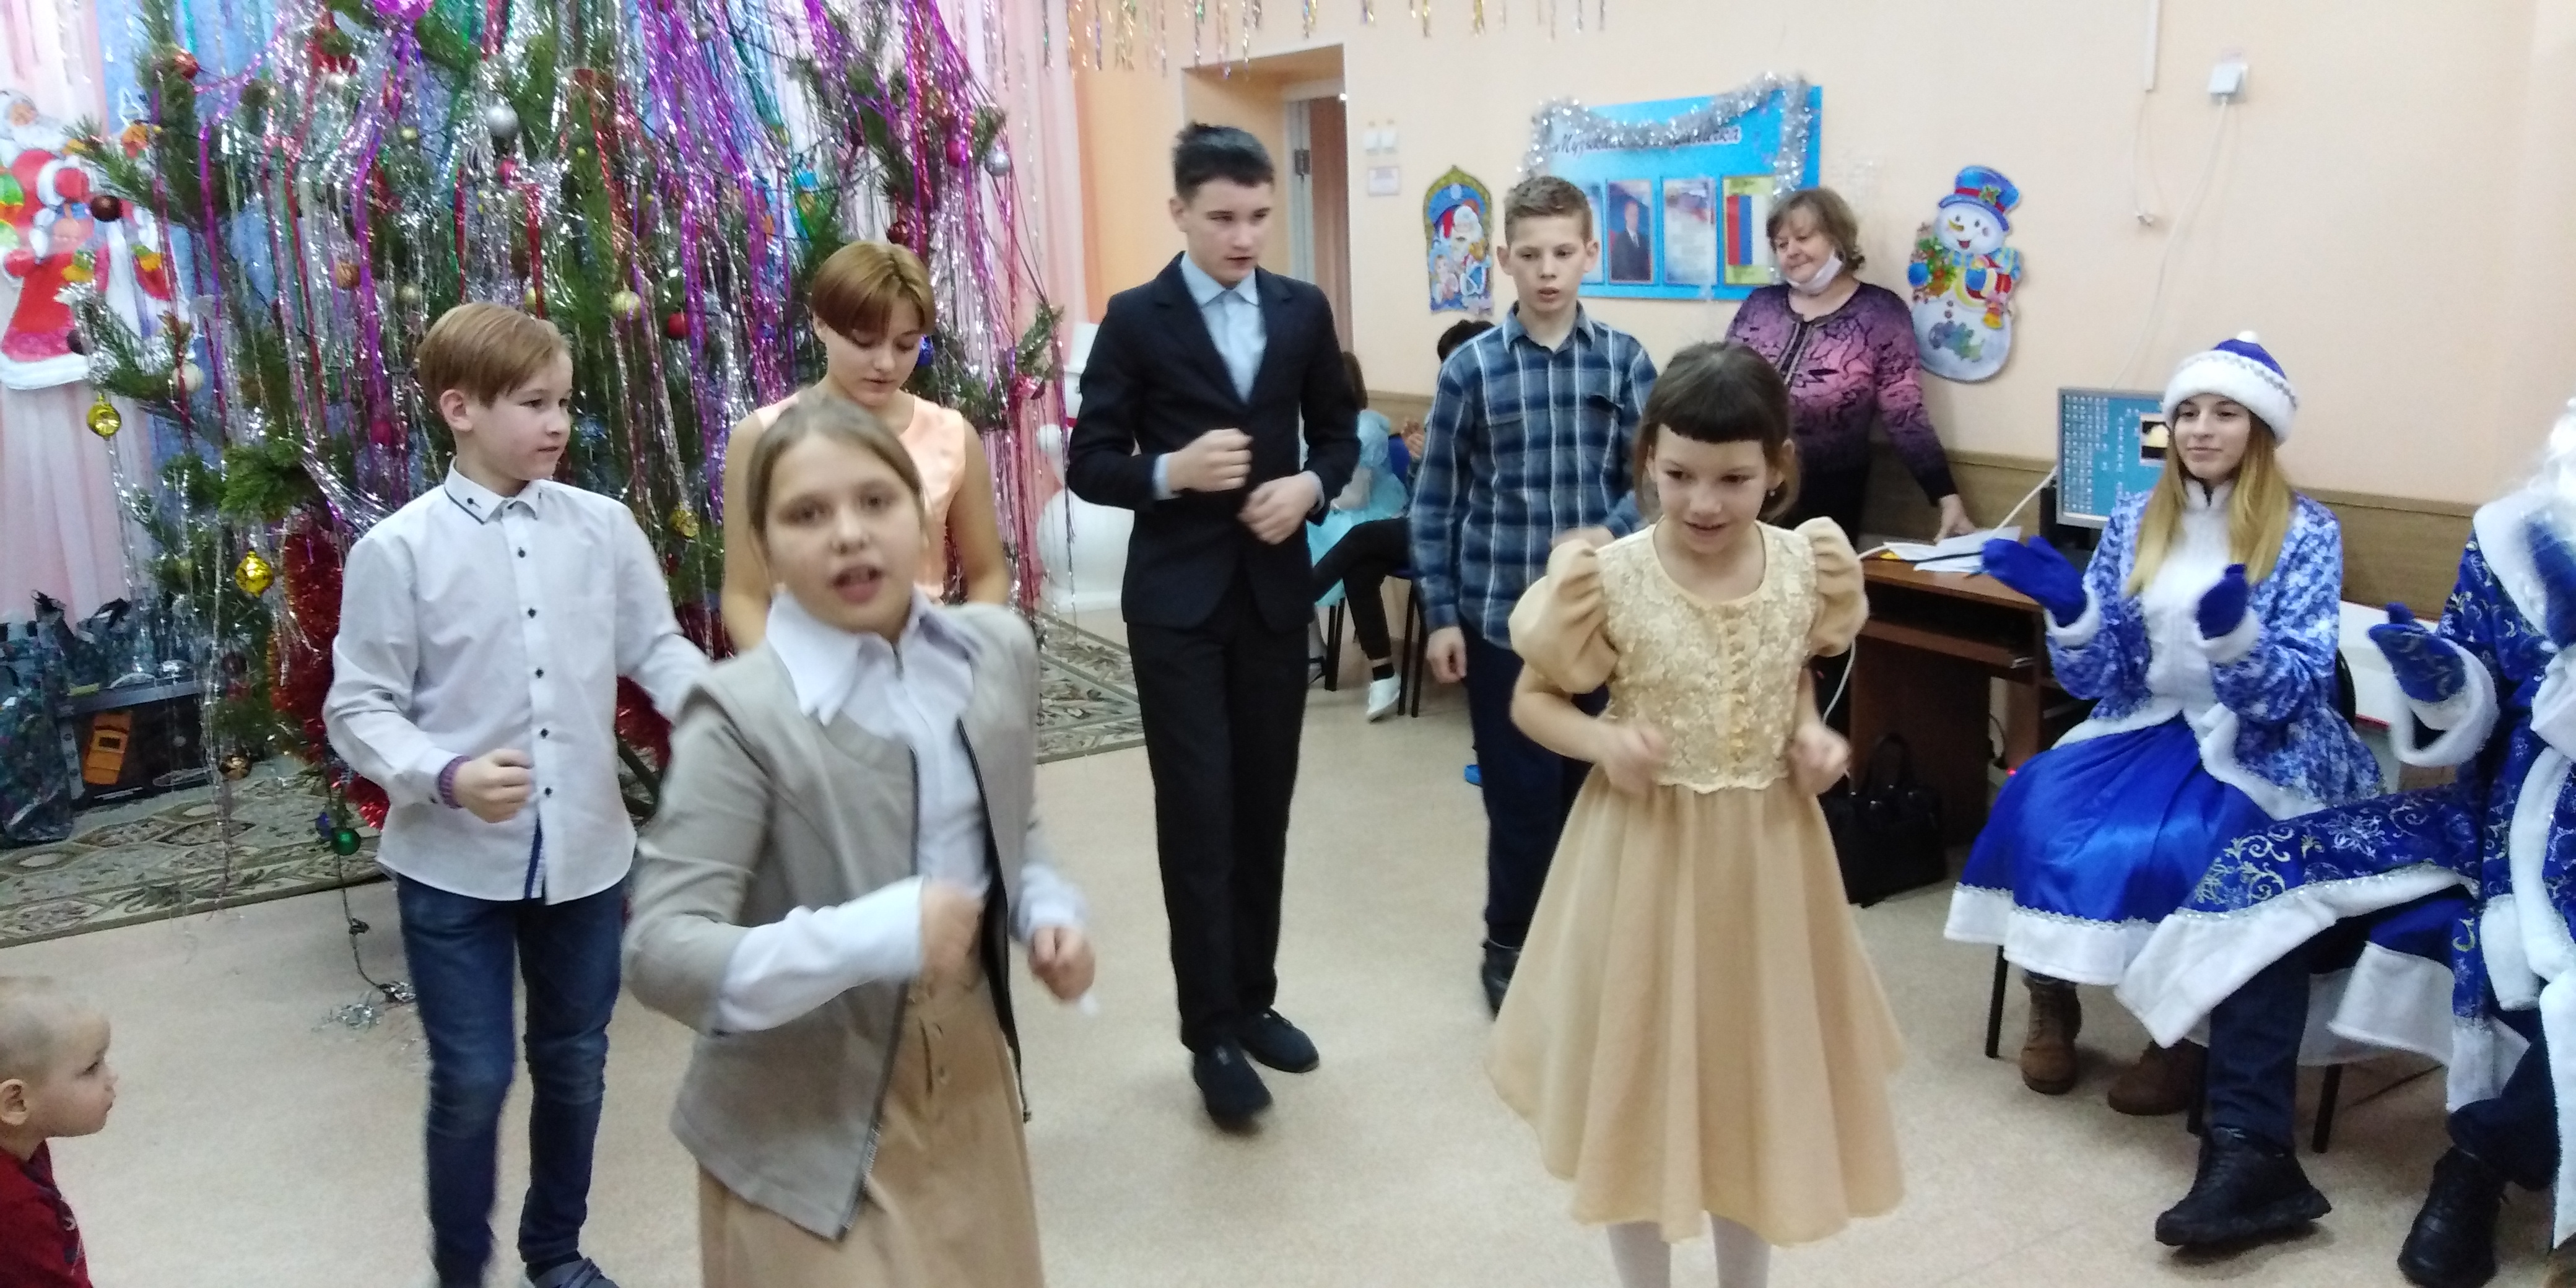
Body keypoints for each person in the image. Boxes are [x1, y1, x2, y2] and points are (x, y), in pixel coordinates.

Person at [625, 395, 1094, 1287]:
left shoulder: (994, 651)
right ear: (765, 549)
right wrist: (876, 933)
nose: (848, 535)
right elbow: (660, 951)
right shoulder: (740, 716)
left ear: (920, 517)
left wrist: (1047, 910)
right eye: (807, 514)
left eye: (875, 502)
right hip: (805, 1119)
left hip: (967, 1083)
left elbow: (1012, 821)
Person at [2118, 394, 2576, 1288]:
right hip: (2480, 819)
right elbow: (2472, 697)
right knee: (2265, 864)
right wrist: (2444, 686)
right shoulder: (2513, 533)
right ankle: (2249, 1150)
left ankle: (2476, 1166)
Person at [1491, 341, 1900, 1288]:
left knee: (1750, 1087)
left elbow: (1789, 671)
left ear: (1778, 469)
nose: (1704, 503)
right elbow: (1533, 702)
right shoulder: (1608, 576)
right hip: (1643, 859)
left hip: (1768, 860)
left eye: (1734, 480)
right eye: (1678, 476)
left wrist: (1809, 735)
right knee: (1638, 1086)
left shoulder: (1805, 565)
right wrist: (1603, 744)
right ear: (1648, 460)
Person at [326, 302, 710, 1288]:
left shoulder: (602, 528)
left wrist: (721, 714)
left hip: (586, 854)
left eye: (565, 403)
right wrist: (444, 775)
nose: (558, 424)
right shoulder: (398, 552)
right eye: (534, 404)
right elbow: (358, 707)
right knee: (474, 1077)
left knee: (575, 1061)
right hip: (452, 866)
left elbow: (655, 647)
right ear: (459, 408)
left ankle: (556, 1253)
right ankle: (461, 1272)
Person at [1947, 333, 2381, 1113]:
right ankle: (2051, 996)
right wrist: (2073, 614)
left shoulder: (2304, 530)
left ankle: (2180, 1034)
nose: (2200, 429)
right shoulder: (2134, 518)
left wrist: (2237, 642)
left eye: (2224, 413)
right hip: (2142, 721)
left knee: (2195, 842)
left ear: (2259, 430)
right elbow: (2097, 678)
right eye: (2186, 412)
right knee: (2035, 801)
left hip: (2259, 740)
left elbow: (2296, 690)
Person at [1066, 123, 1359, 1126]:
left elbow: (1339, 434)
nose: (1244, 237)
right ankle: (1211, 1033)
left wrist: (1311, 488)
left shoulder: (1302, 309)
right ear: (1180, 212)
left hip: (1273, 598)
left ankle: (1255, 999)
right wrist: (1169, 472)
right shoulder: (1135, 319)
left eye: (1259, 217)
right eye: (1223, 217)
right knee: (1198, 816)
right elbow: (1090, 460)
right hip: (1176, 607)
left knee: (1263, 808)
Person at [1412, 173, 1657, 1016]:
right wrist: (1439, 615)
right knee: (1519, 799)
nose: (1547, 270)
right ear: (1502, 260)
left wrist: (1606, 531)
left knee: (1594, 791)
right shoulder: (1471, 369)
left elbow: (1656, 480)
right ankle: (1511, 942)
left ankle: (1588, 942)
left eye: (1562, 252)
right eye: (1530, 255)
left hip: (1601, 624)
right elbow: (1435, 503)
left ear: (1590, 253)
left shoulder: (1624, 360)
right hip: (1498, 622)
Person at [721, 240, 1011, 650]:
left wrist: (957, 656)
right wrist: (784, 679)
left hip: (920, 657)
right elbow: (744, 595)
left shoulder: (952, 434)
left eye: (906, 345)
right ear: (821, 324)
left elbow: (988, 575)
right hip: (805, 658)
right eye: (864, 341)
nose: (886, 363)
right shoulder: (760, 437)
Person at [1725, 187, 1973, 542]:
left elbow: (1905, 415)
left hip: (1827, 499)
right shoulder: (1760, 304)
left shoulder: (1881, 312)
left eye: (1803, 238)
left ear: (1838, 238)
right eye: (1781, 244)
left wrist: (1947, 497)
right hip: (1738, 486)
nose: (1791, 251)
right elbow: (1720, 383)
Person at [1308, 350, 1414, 721]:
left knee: (1357, 540)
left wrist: (1315, 499)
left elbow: (1355, 497)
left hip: (1382, 514)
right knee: (1356, 568)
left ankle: (1293, 603)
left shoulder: (1365, 429)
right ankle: (1380, 673)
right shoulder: (1314, 427)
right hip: (1398, 518)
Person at [0, 978, 114, 1288]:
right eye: (91, 1068)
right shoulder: (14, 1209)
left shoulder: (23, 1142)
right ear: (16, 1102)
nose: (111, 1078)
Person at [1607, 193, 1652, 284]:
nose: (1635, 219)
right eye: (1632, 215)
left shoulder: (1643, 240)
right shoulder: (1620, 240)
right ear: (1626, 216)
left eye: (1636, 215)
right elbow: (1621, 270)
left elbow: (1646, 268)